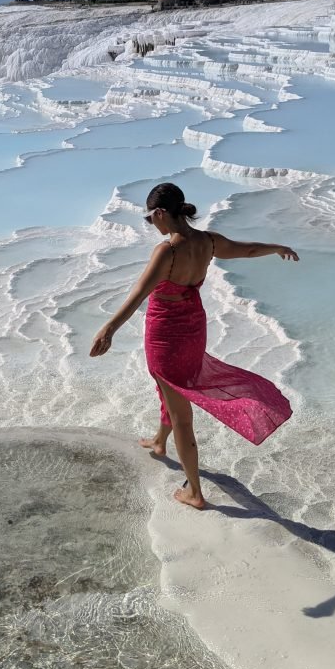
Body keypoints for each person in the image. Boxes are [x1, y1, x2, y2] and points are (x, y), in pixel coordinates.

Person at [89, 182, 298, 510]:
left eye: (150, 219)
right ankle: (160, 442)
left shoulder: (167, 251)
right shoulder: (207, 241)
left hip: (165, 337)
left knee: (180, 410)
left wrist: (108, 329)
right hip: (194, 330)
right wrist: (276, 246)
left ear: (160, 213)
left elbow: (138, 295)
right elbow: (247, 250)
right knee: (171, 389)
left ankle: (195, 493)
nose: (152, 226)